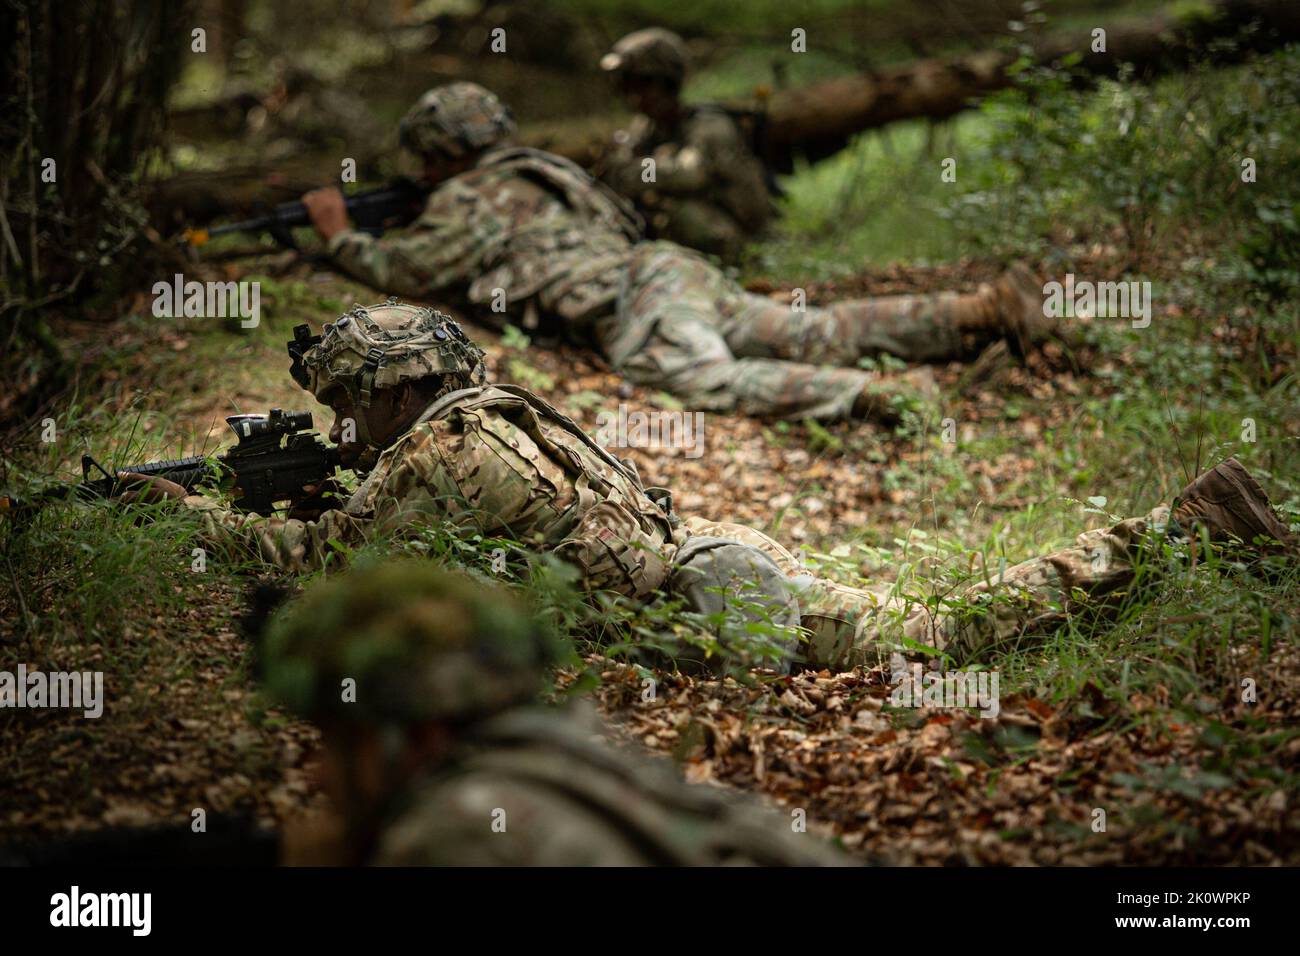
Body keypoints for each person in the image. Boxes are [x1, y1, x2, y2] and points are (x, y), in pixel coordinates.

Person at [128, 301, 1297, 673]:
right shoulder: (500, 414)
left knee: (944, 643)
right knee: (932, 624)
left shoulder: (434, 457)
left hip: (706, 609)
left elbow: (320, 567)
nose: (340, 422)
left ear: (391, 392)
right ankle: (1180, 529)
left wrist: (204, 526)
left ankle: (1174, 533)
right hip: (709, 561)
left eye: (349, 401)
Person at [299, 82, 1052, 424]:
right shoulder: (551, 174)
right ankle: (977, 309)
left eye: (429, 163)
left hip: (636, 298)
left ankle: (877, 397)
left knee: (703, 380)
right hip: (670, 268)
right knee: (806, 325)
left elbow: (408, 273)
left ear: (444, 153)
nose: (425, 178)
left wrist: (340, 236)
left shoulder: (475, 196)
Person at [261, 559, 850, 865]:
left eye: (337, 742)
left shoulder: (457, 831)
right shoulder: (576, 750)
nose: (316, 774)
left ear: (412, 734)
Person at [597, 27, 773, 261]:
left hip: (738, 236)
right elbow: (618, 172)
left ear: (667, 83)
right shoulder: (648, 127)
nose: (634, 98)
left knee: (677, 212)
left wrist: (635, 172)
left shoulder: (709, 125)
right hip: (705, 229)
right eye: (627, 88)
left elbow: (691, 173)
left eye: (643, 86)